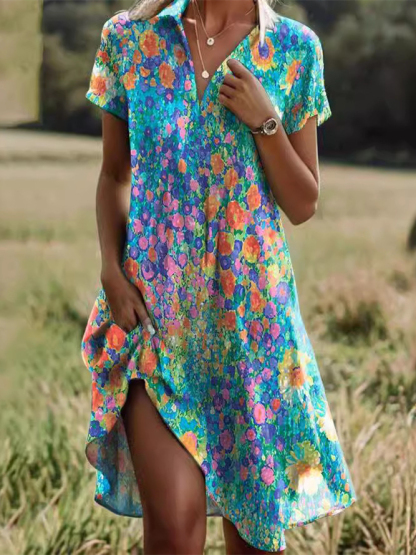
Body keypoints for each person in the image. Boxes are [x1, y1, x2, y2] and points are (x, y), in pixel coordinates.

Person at [80, 0, 357, 552]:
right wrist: (111, 270)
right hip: (156, 324)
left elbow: (302, 203)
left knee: (253, 537)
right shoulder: (128, 38)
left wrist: (266, 121)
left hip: (252, 332)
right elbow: (114, 174)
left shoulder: (294, 49)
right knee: (175, 527)